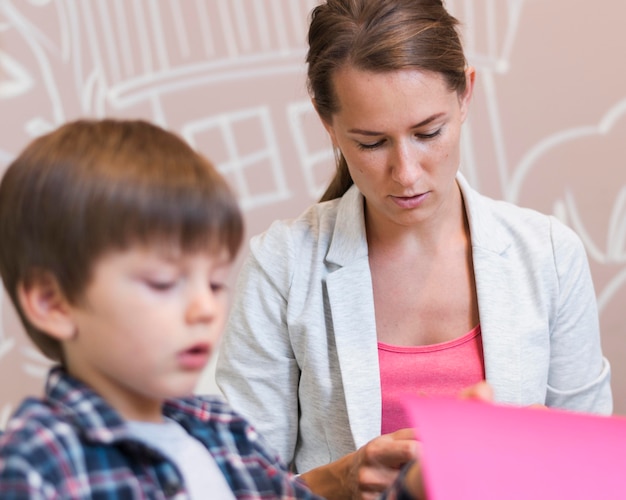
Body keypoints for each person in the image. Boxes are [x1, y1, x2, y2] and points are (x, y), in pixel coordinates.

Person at [215, 0, 613, 498]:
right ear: (326, 120)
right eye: (371, 143)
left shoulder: (549, 255)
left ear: (466, 94)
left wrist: (549, 454)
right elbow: (234, 487)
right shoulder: (282, 266)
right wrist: (335, 481)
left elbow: (600, 480)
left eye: (429, 133)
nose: (405, 173)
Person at [0, 118, 431, 499]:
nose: (205, 309)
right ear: (52, 303)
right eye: (164, 283)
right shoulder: (39, 460)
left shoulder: (222, 432)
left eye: (213, 283)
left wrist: (415, 484)